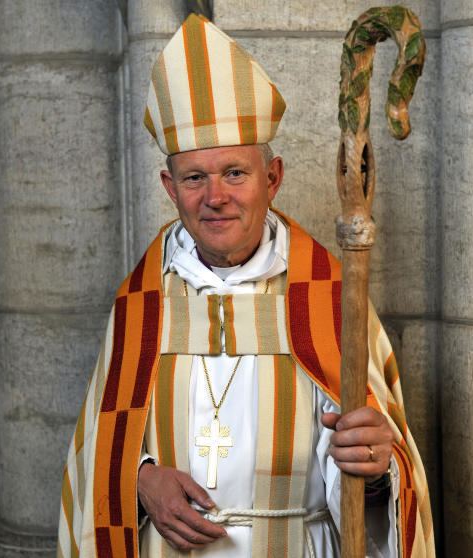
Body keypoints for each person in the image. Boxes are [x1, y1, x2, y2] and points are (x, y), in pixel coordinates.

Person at [57, 13, 435, 558]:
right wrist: (139, 482)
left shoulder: (330, 298)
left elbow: (378, 476)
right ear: (169, 186)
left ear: (272, 177)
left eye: (235, 172)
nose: (216, 196)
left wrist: (374, 474)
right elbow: (97, 445)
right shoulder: (142, 302)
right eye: (194, 177)